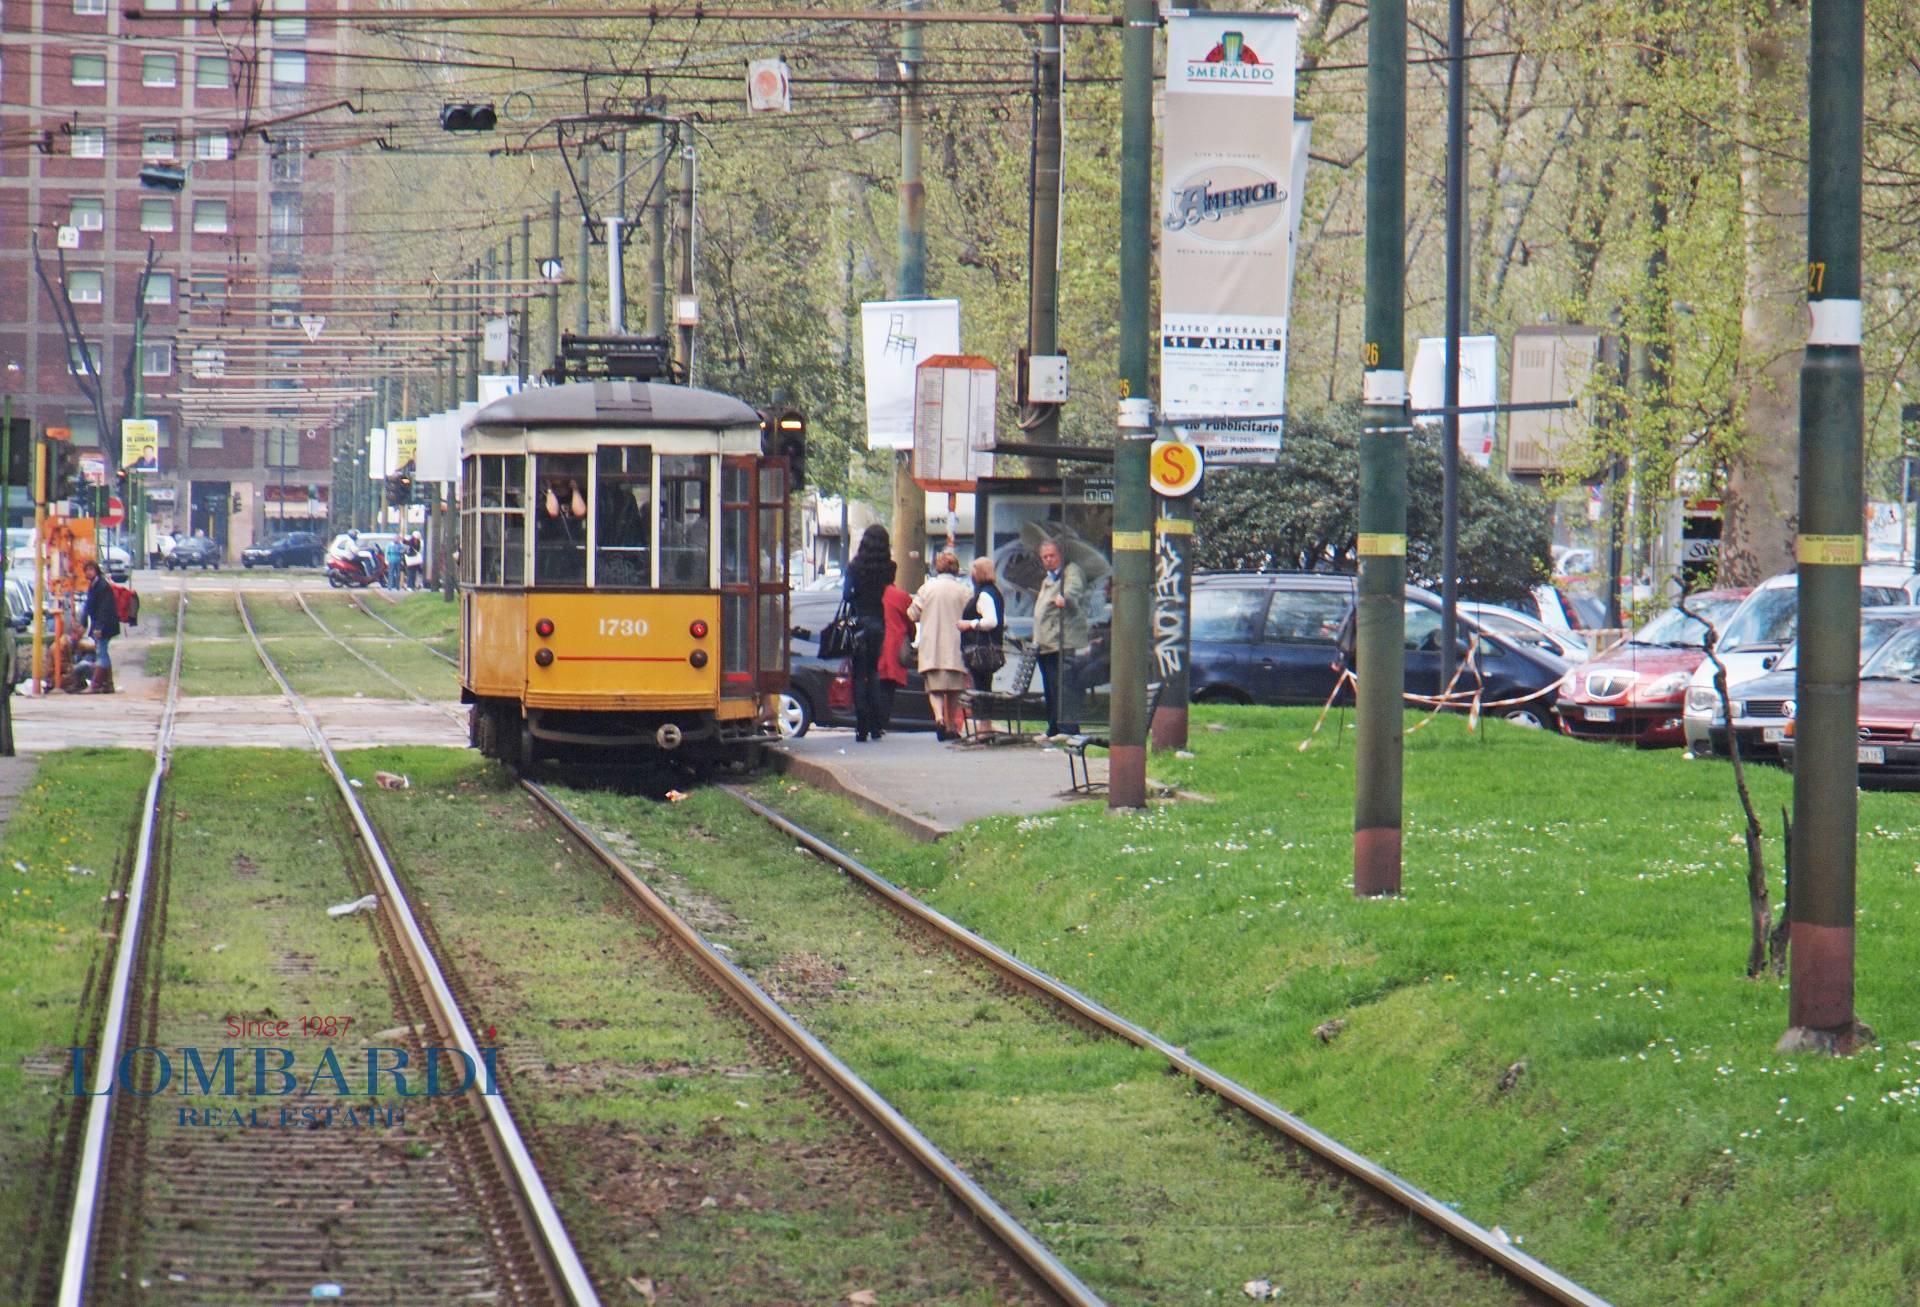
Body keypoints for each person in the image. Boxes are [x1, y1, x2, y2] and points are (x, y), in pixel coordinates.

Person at [908, 550, 972, 741]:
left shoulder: (927, 588)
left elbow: (912, 614)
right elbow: (971, 614)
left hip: (932, 646)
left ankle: (938, 717)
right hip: (955, 646)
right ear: (956, 569)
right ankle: (952, 725)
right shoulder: (964, 591)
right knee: (953, 690)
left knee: (934, 688)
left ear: (937, 567)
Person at [842, 524, 894, 743]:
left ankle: (860, 725)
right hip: (878, 623)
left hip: (858, 622)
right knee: (873, 673)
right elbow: (887, 588)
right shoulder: (889, 567)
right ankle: (876, 725)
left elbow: (846, 595)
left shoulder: (854, 567)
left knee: (858, 674)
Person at [1033, 538, 1088, 737]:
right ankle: (1054, 727)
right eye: (1044, 557)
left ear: (1061, 555)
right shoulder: (1048, 579)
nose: (1048, 560)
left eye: (1052, 556)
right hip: (1046, 644)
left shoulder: (1070, 572)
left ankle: (1068, 729)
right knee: (1050, 688)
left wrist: (1066, 599)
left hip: (1062, 642)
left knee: (1064, 687)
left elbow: (1073, 590)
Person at [959, 555, 1005, 693]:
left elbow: (991, 621)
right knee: (984, 684)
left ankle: (982, 713)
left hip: (981, 651)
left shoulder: (984, 594)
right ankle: (984, 712)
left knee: (980, 686)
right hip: (989, 649)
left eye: (973, 570)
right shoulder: (995, 593)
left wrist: (970, 624)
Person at [79, 560, 120, 694]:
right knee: (102, 652)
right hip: (102, 625)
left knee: (101, 652)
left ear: (96, 570)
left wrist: (98, 628)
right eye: (86, 570)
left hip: (105, 626)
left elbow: (104, 609)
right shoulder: (94, 585)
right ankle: (108, 684)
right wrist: (83, 623)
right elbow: (88, 607)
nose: (88, 572)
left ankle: (96, 685)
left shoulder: (102, 585)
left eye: (91, 569)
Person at [878, 578, 913, 731]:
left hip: (873, 644)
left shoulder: (872, 593)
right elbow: (910, 622)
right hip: (894, 647)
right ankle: (881, 722)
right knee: (888, 688)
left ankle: (870, 722)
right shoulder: (901, 596)